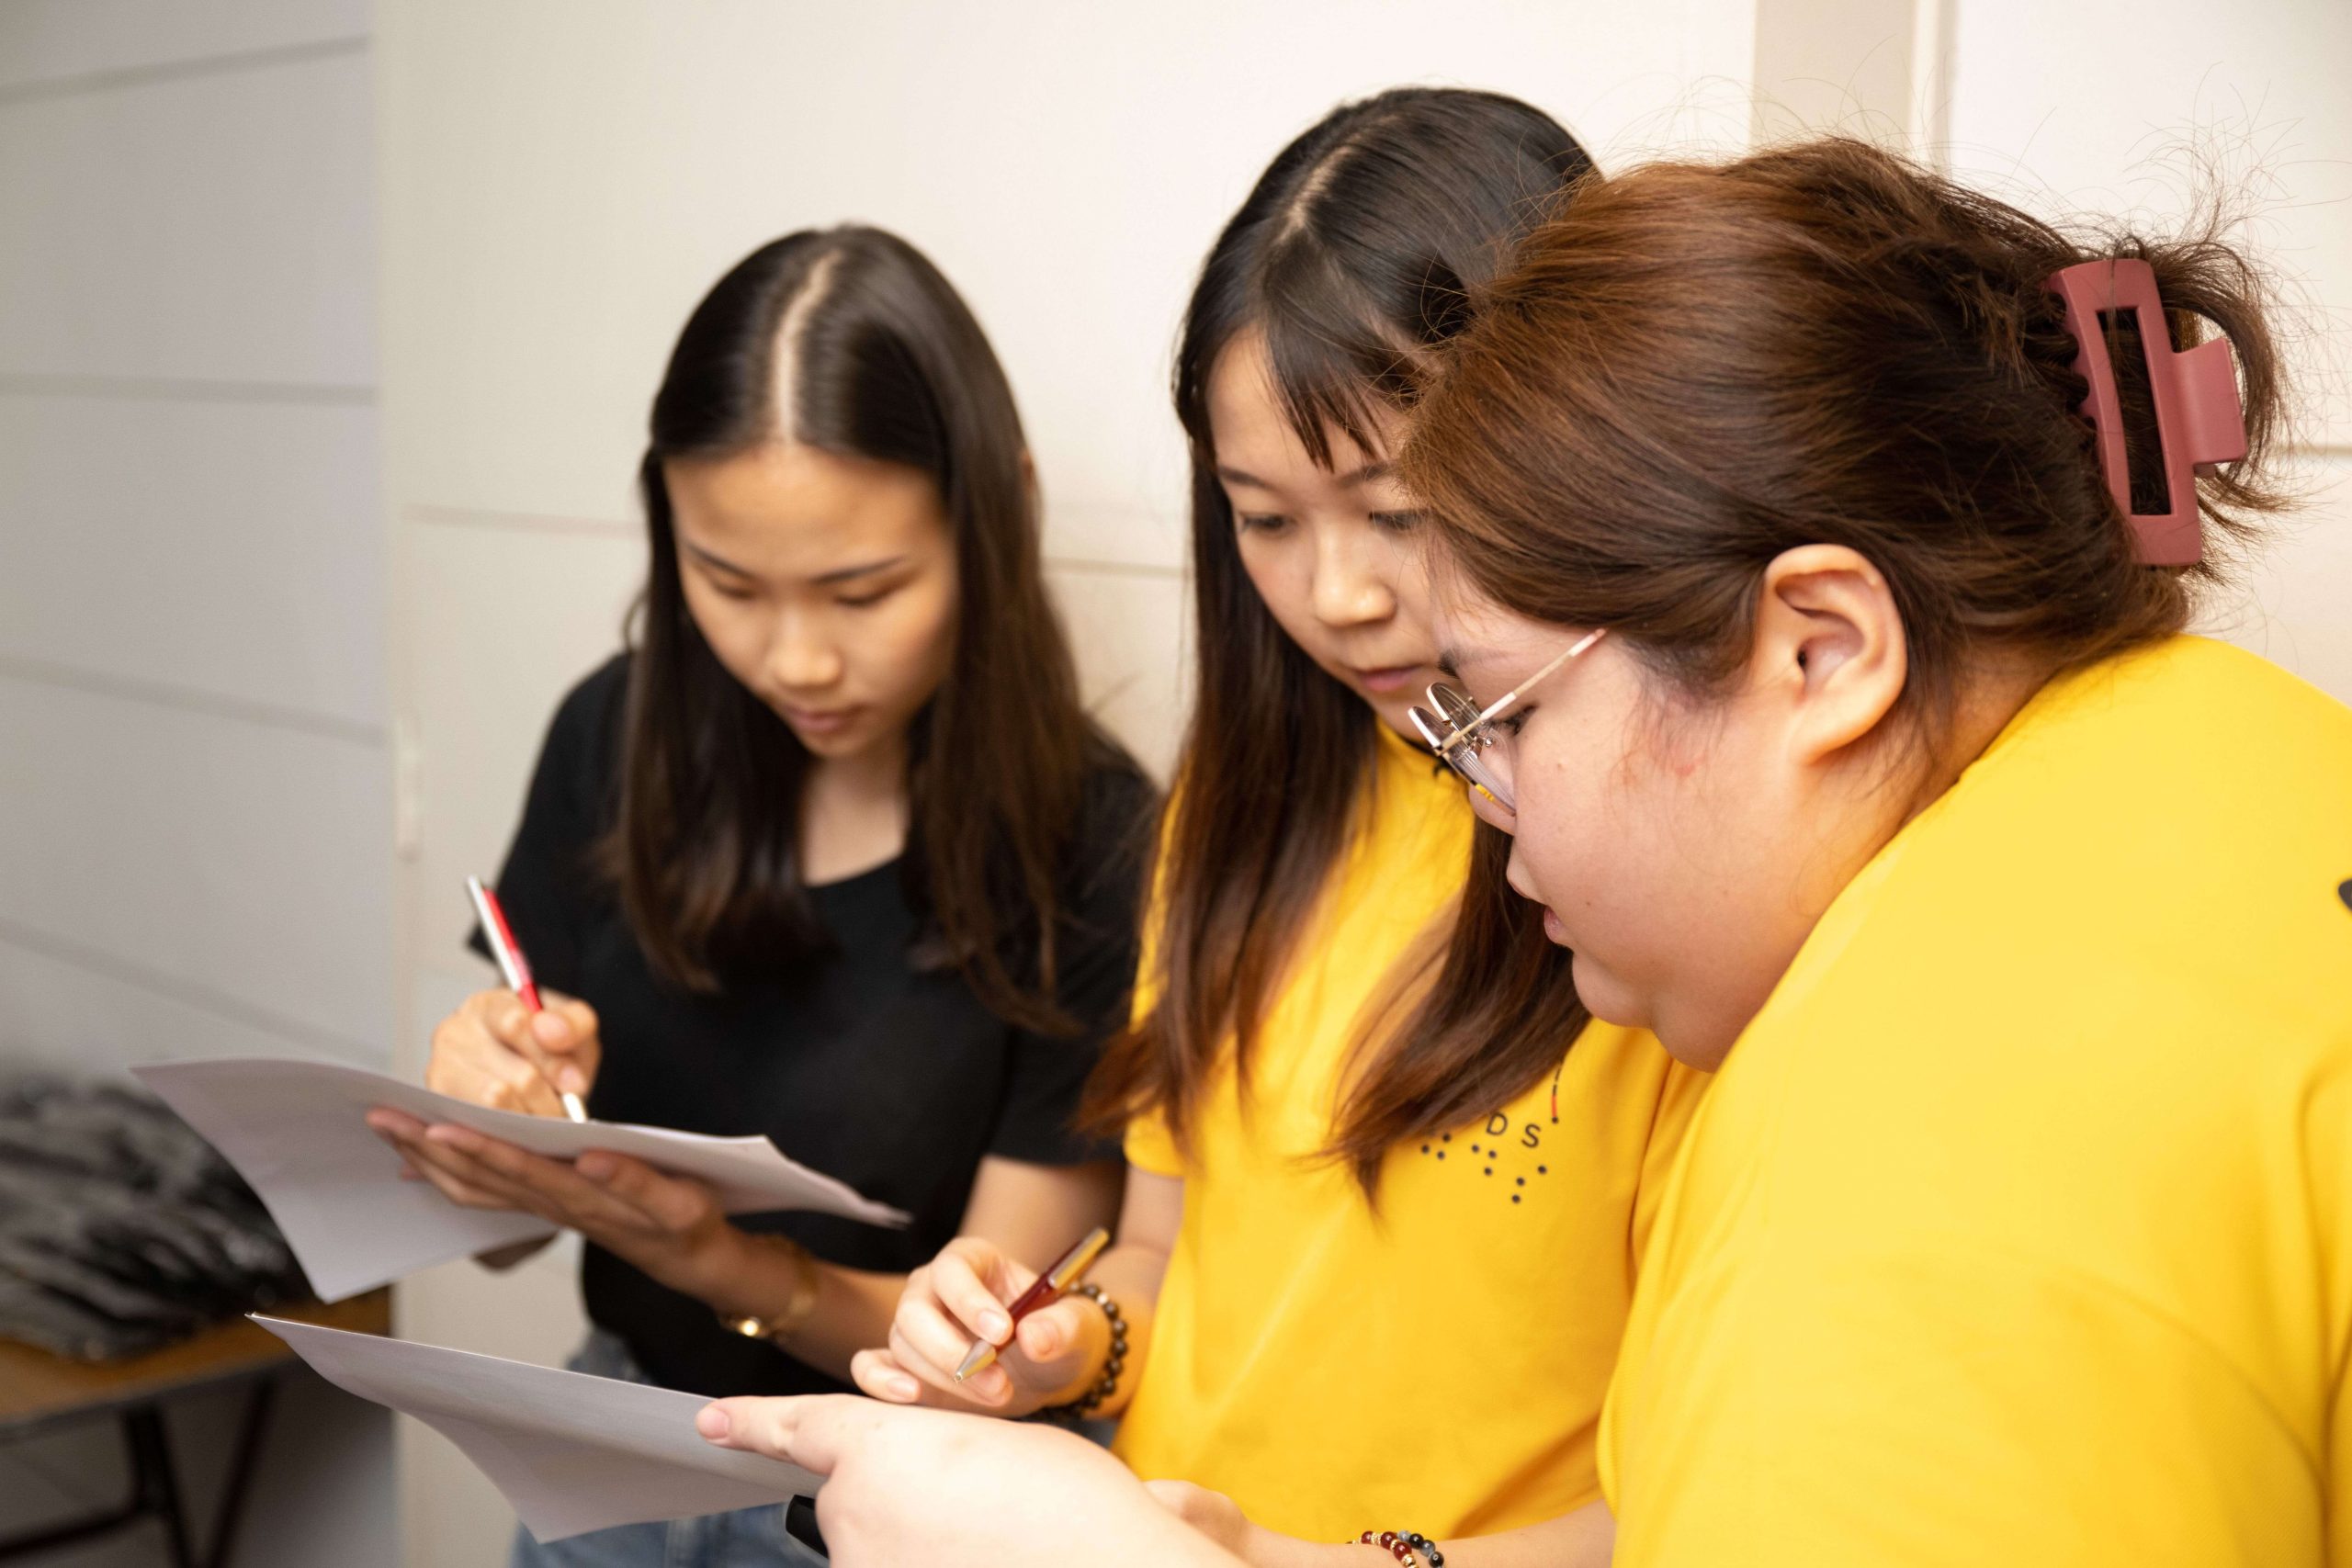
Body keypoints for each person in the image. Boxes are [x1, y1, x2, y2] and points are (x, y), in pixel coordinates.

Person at [701, 137, 2350, 1568]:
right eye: (1261, 514)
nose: (1475, 790)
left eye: (1500, 713)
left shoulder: (1921, 1203)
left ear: (1823, 649)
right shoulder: (2221, 740)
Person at [850, 85, 1704, 1559]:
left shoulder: (1670, 850)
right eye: (1264, 516)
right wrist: (1056, 1340)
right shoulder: (1242, 809)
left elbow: (1699, 1499)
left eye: (1398, 508)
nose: (1336, 596)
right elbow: (1173, 1249)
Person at [367, 225, 1154, 1568]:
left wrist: (722, 1264)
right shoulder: (613, 741)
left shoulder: (1094, 839)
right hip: (606, 1453)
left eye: (865, 590)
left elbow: (983, 1351)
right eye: (727, 582)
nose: (795, 657)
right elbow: (497, 1249)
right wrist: (485, 1119)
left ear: (995, 517)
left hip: (896, 1500)